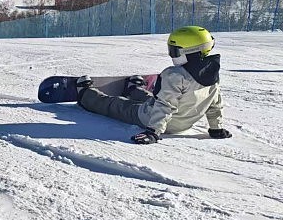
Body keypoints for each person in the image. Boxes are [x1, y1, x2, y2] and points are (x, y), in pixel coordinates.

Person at [76, 26, 232, 144]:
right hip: (183, 123)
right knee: (152, 98)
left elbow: (165, 105)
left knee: (117, 105)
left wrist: (153, 132)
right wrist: (216, 129)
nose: (172, 55)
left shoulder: (175, 75)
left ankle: (85, 95)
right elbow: (215, 105)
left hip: (154, 120)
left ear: (191, 51)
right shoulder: (212, 74)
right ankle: (133, 89)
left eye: (175, 51)